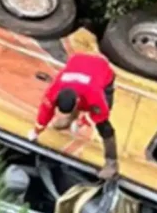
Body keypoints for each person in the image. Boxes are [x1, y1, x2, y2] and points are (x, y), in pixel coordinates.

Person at [28, 52, 119, 180]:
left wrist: (85, 120)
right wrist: (36, 131)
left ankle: (112, 163)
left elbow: (102, 115)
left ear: (77, 101)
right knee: (61, 121)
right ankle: (71, 118)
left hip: (101, 69)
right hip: (78, 61)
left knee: (105, 127)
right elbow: (45, 112)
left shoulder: (94, 94)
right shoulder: (53, 90)